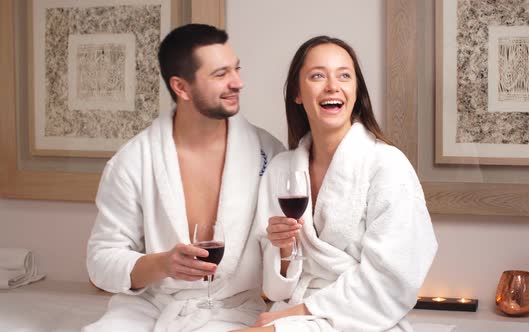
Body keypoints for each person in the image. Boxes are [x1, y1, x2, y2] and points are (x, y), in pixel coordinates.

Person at [84, 24, 284, 332]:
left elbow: (282, 255)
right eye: (220, 74)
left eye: (236, 69)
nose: (238, 82)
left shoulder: (267, 152)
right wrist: (164, 264)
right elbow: (101, 262)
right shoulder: (134, 161)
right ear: (181, 87)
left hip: (232, 310)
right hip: (150, 308)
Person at [236, 36, 438, 332]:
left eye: (344, 75)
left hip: (358, 317)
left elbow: (394, 279)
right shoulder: (281, 170)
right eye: (318, 75)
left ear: (356, 91)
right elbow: (275, 290)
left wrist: (293, 316)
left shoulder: (387, 165)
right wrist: (282, 251)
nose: (333, 86)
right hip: (290, 312)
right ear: (297, 93)